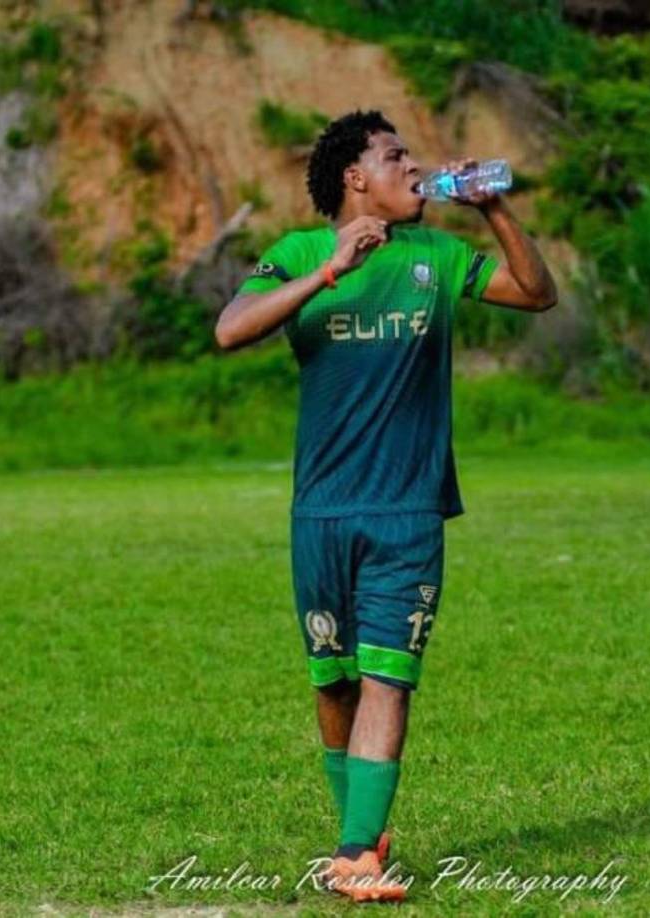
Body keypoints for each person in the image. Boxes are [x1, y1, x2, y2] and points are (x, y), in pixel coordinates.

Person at [214, 109, 557, 902]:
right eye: (395, 156)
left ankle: (357, 853)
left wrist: (495, 211)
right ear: (355, 178)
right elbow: (231, 329)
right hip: (322, 513)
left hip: (408, 512)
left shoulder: (437, 254)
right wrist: (330, 270)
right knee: (333, 681)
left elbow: (537, 293)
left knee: (387, 676)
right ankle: (360, 831)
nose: (414, 167)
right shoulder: (299, 252)